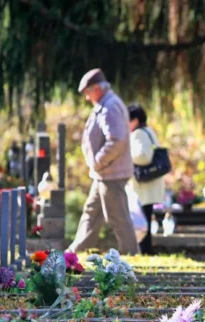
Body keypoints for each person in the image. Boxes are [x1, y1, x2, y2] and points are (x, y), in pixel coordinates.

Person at [67, 68, 139, 255]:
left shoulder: (110, 106)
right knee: (92, 213)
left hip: (110, 173)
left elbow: (117, 139)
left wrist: (98, 162)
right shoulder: (105, 104)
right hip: (104, 173)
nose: (87, 97)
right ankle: (76, 251)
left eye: (88, 92)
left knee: (118, 217)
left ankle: (131, 254)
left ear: (97, 88)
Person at [128, 103, 165, 255]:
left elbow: (143, 156)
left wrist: (125, 157)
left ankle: (144, 251)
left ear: (135, 120)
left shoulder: (139, 134)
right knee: (146, 219)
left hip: (144, 185)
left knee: (142, 221)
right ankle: (147, 250)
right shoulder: (148, 131)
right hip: (151, 183)